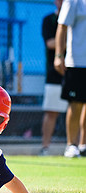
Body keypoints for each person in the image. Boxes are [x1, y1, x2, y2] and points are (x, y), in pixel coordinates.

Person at [54, 0, 86, 157]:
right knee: (76, 103)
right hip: (77, 62)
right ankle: (71, 145)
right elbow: (62, 25)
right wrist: (59, 55)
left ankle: (83, 145)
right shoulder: (74, 1)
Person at [40, 0, 68, 156]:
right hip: (54, 73)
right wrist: (68, 40)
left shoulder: (77, 19)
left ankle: (77, 146)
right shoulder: (48, 19)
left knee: (77, 110)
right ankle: (45, 147)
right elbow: (50, 43)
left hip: (74, 71)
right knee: (51, 112)